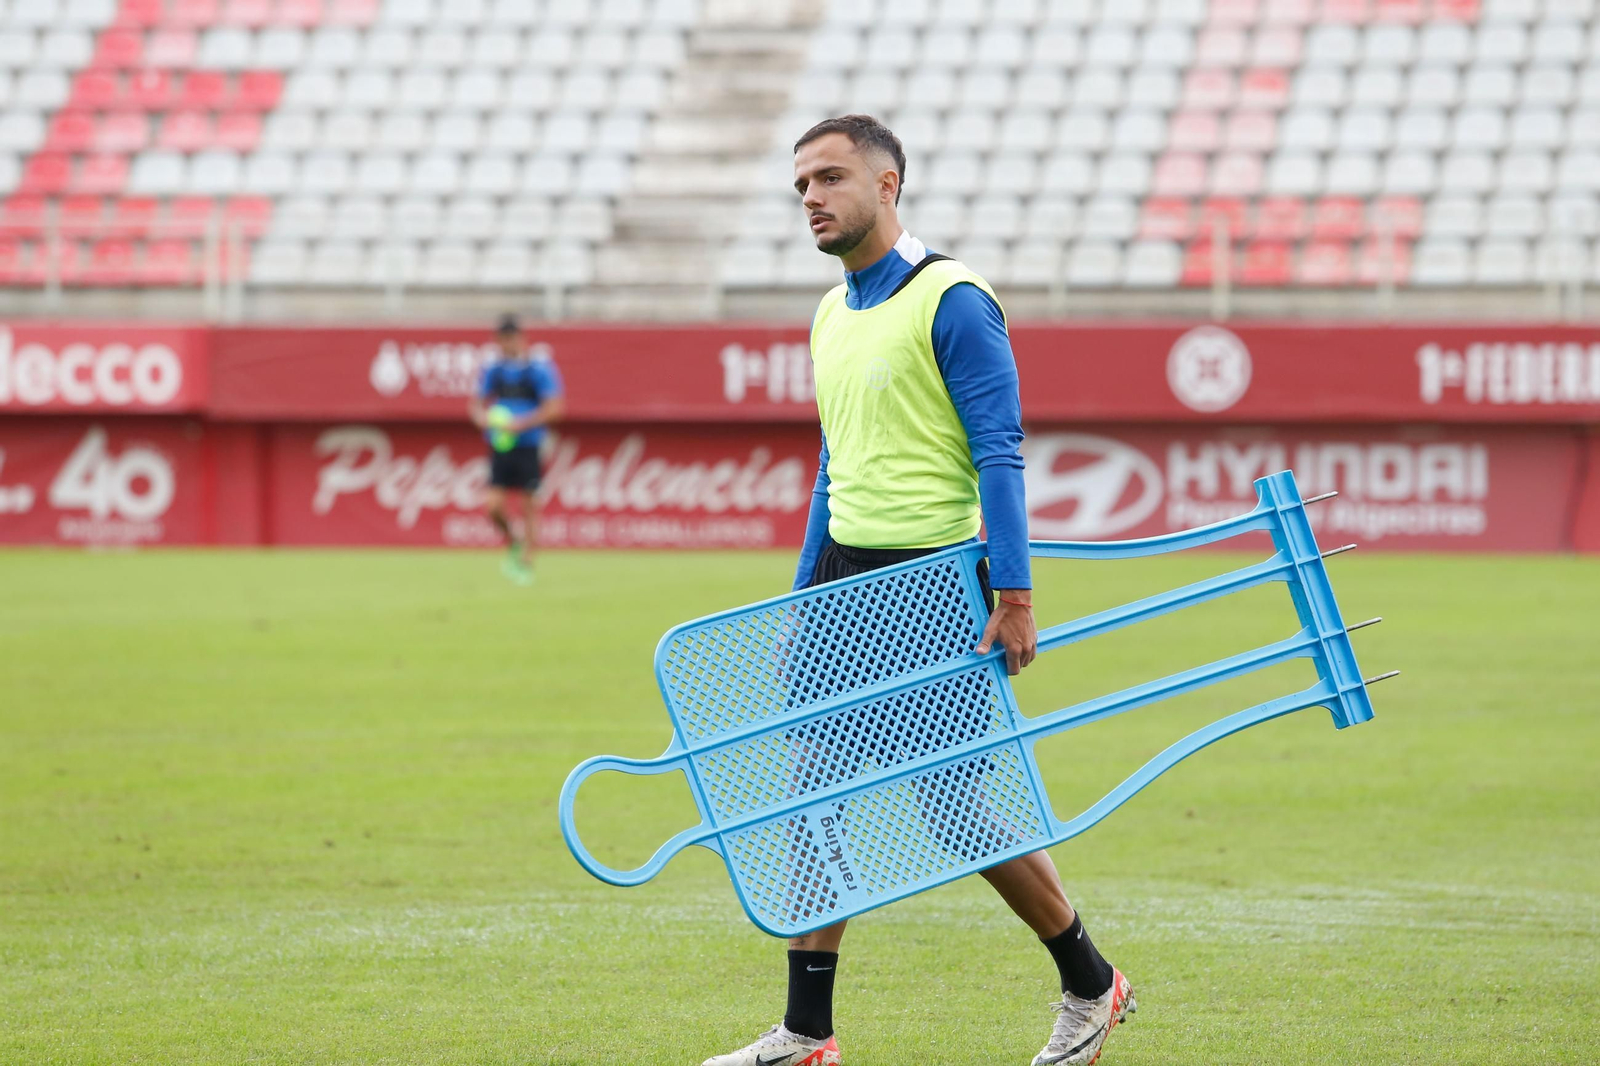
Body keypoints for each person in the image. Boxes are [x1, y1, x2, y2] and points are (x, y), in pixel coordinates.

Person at [701, 116, 1134, 1066]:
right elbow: (832, 467)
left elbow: (1001, 454)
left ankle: (1092, 984)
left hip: (935, 589)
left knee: (950, 813)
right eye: (801, 185)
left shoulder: (955, 299)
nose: (811, 198)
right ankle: (807, 1034)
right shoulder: (828, 313)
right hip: (843, 585)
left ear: (888, 186)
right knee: (814, 794)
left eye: (831, 179)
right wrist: (801, 596)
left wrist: (1013, 595)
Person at [468, 314, 564, 584]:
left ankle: (527, 563)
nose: (506, 344)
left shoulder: (538, 368)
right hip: (500, 445)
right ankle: (514, 541)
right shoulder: (494, 370)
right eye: (501, 339)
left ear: (521, 338)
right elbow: (476, 404)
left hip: (529, 445)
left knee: (530, 504)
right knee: (493, 507)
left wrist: (520, 424)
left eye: (510, 338)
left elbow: (555, 408)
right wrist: (481, 417)